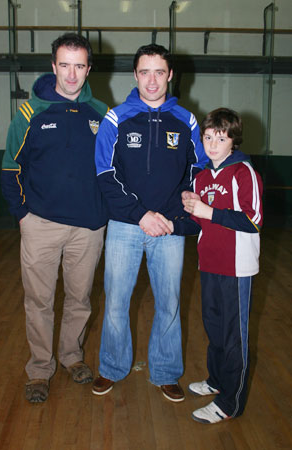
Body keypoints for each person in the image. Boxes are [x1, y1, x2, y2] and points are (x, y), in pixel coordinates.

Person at [92, 43, 208, 402]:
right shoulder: (115, 118)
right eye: (145, 72)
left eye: (160, 72)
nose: (152, 80)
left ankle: (166, 371)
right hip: (126, 226)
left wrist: (174, 218)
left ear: (170, 75)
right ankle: (111, 367)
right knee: (115, 302)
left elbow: (199, 174)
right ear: (135, 75)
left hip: (170, 229)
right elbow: (104, 175)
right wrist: (141, 214)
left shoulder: (187, 121)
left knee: (169, 303)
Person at [1, 33, 109, 403]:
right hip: (40, 225)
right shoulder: (30, 113)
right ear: (53, 66)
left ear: (88, 68)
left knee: (80, 299)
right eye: (65, 64)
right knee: (39, 301)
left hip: (89, 227)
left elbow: (113, 169)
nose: (72, 74)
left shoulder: (101, 113)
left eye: (79, 65)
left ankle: (71, 357)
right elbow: (9, 167)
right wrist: (23, 216)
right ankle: (40, 369)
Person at [158, 107, 263, 422]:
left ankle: (229, 403)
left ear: (233, 139)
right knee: (214, 328)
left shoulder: (244, 172)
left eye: (221, 137)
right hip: (209, 264)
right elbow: (198, 223)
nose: (213, 144)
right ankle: (217, 380)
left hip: (237, 267)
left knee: (234, 337)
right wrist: (176, 221)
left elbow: (253, 220)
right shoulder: (202, 176)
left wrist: (208, 212)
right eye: (208, 137)